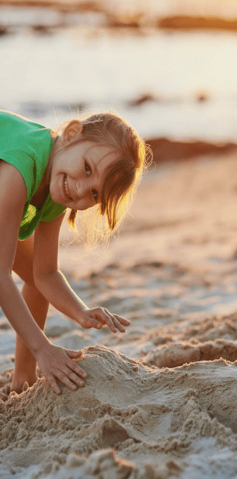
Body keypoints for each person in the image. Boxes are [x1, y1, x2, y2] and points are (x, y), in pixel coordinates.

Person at [0, 110, 149, 395]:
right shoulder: (21, 169)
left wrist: (79, 311)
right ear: (71, 134)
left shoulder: (59, 181)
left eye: (94, 195)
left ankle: (22, 377)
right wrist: (44, 348)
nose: (80, 190)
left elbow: (44, 273)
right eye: (88, 168)